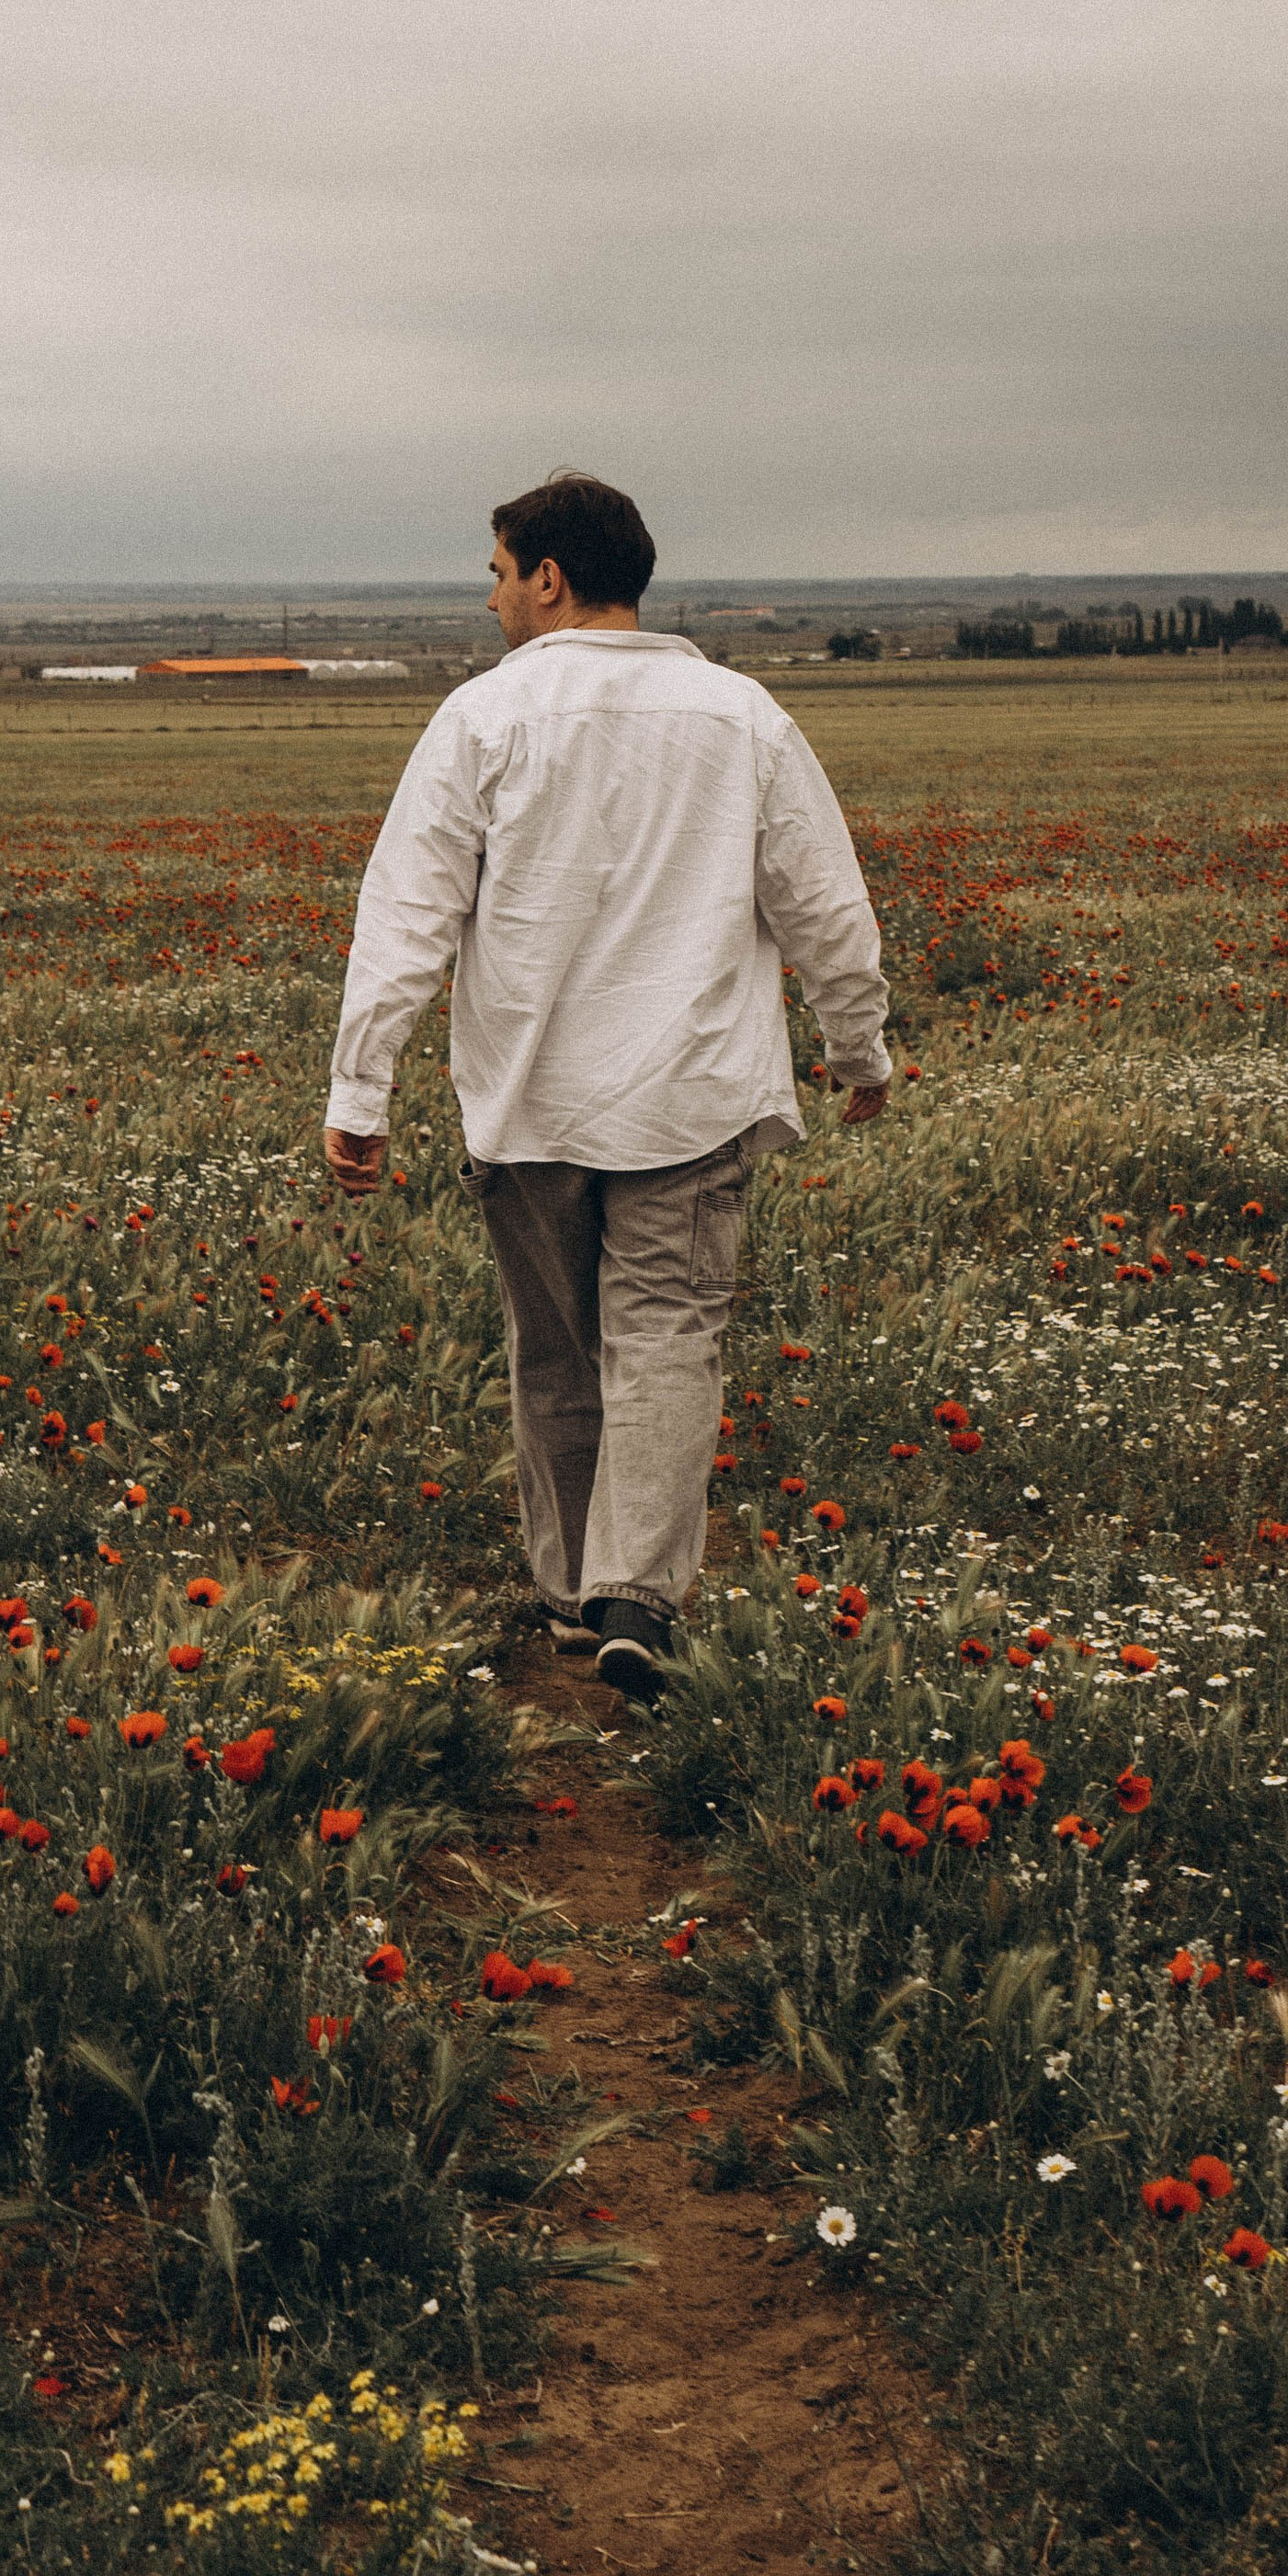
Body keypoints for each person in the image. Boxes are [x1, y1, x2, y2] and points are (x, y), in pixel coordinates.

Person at [323, 473, 891, 1705]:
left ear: (550, 577)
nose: (488, 597)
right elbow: (825, 907)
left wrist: (360, 1092)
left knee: (558, 1351)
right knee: (667, 1338)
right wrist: (860, 1052)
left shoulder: (481, 721)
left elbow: (407, 919)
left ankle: (575, 1591)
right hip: (691, 1096)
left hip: (530, 1103)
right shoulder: (741, 717)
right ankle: (636, 1595)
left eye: (495, 571)